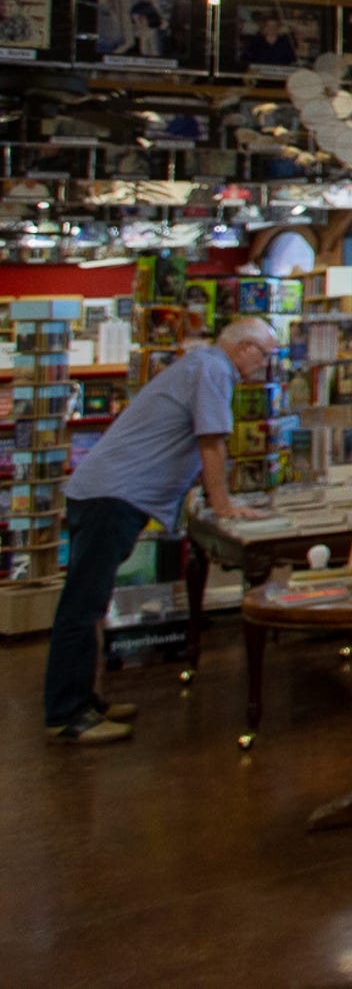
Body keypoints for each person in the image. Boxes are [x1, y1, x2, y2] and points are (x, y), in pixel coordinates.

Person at [43, 316, 275, 746]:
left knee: (86, 603)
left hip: (106, 496)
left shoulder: (200, 364)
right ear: (243, 348)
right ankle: (66, 713)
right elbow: (211, 441)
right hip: (111, 499)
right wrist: (223, 505)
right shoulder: (212, 370)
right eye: (265, 354)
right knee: (83, 605)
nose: (267, 364)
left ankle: (84, 701)